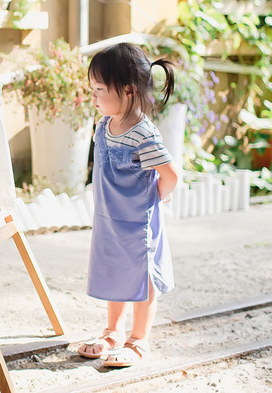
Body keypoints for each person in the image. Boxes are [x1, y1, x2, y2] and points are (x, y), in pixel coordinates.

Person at [77, 42, 179, 367]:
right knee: (114, 271)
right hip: (110, 220)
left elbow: (171, 174)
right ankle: (112, 331)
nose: (93, 96)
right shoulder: (104, 127)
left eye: (99, 89)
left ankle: (138, 339)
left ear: (128, 91)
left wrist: (155, 201)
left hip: (138, 223)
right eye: (91, 88)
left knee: (142, 275)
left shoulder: (143, 135)